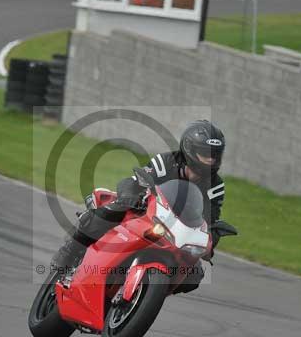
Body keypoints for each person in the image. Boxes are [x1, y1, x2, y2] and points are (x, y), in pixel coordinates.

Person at [51, 120, 227, 294]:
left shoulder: (216, 186)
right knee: (112, 211)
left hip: (178, 231)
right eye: (206, 153)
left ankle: (147, 292)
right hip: (146, 213)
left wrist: (212, 237)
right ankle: (70, 251)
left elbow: (210, 220)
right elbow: (134, 181)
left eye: (215, 155)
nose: (211, 159)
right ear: (190, 149)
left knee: (194, 274)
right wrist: (130, 197)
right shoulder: (166, 162)